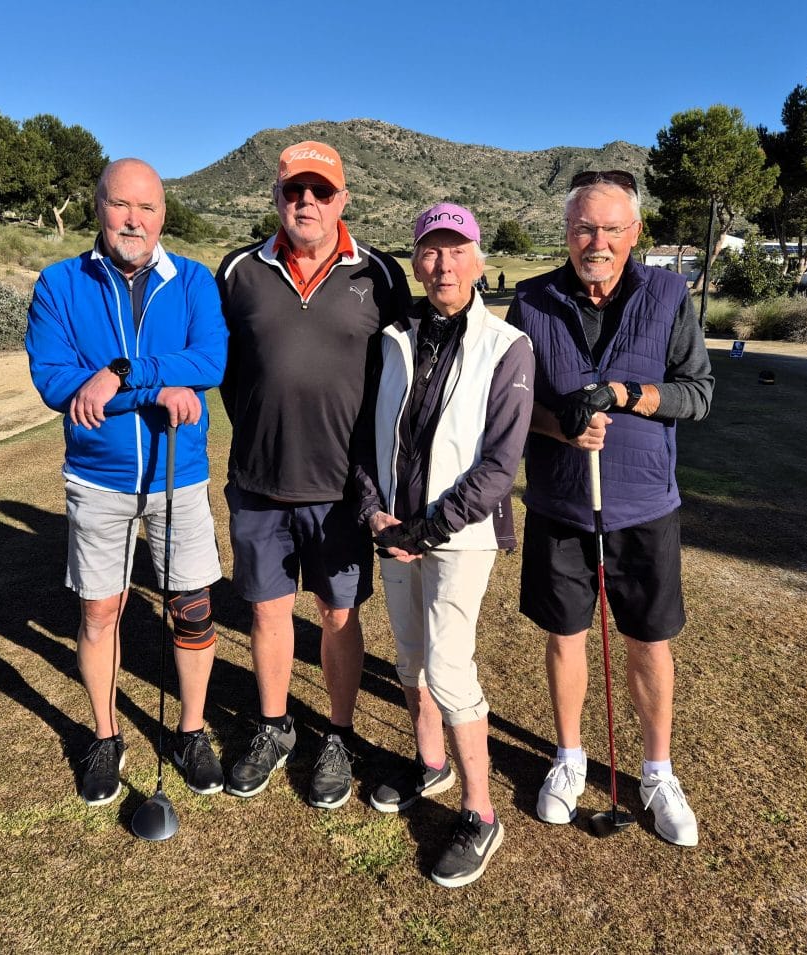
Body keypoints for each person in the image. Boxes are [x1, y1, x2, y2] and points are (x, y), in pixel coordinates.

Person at [506, 170, 713, 847]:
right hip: (560, 504)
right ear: (567, 233)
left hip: (644, 505)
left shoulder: (668, 294)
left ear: (635, 233)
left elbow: (697, 393)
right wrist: (559, 425)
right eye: (583, 228)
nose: (596, 241)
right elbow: (510, 402)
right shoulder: (532, 299)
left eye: (611, 229)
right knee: (566, 635)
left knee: (648, 640)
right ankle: (569, 758)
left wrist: (626, 395)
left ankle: (657, 772)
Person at [26, 158, 229, 806]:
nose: (133, 220)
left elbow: (210, 361)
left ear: (163, 214)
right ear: (99, 208)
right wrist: (153, 388)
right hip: (97, 479)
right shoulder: (60, 283)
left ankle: (190, 731)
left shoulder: (192, 280)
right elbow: (57, 381)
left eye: (146, 207)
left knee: (192, 609)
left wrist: (118, 372)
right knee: (99, 611)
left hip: (178, 475)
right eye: (120, 205)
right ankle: (105, 736)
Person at [216, 141, 411, 810]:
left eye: (320, 191)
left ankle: (339, 734)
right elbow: (225, 368)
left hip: (342, 489)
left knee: (337, 614)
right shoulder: (239, 270)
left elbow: (402, 371)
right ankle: (274, 727)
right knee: (268, 612)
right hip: (259, 481)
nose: (307, 202)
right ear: (276, 197)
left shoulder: (379, 273)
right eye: (294, 190)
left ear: (342, 199)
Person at [358, 203, 534, 887]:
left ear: (479, 260)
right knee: (408, 655)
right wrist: (374, 511)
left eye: (457, 250)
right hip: (394, 529)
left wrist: (423, 529)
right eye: (430, 251)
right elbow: (365, 437)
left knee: (450, 669)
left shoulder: (507, 346)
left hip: (458, 537)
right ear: (416, 262)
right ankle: (430, 763)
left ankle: (480, 813)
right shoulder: (392, 338)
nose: (443, 265)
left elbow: (499, 466)